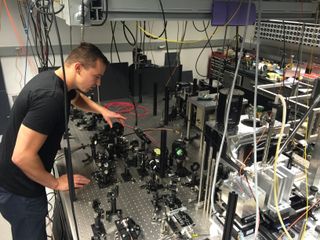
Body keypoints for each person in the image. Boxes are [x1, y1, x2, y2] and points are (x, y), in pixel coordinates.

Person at [0, 42, 126, 240]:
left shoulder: (55, 79)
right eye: (97, 76)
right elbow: (22, 157)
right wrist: (55, 183)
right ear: (78, 67)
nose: (99, 83)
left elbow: (75, 98)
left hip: (14, 182)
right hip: (19, 191)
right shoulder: (50, 97)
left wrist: (102, 111)